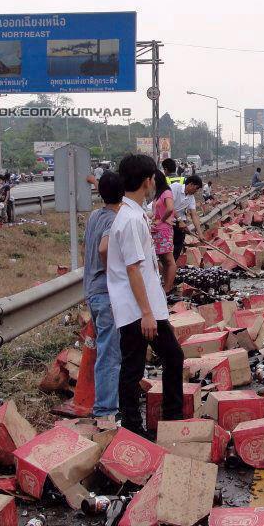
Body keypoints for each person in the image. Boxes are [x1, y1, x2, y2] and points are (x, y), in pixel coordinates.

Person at [107, 155, 184, 434]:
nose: (154, 183)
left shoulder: (134, 215)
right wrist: (148, 314)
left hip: (143, 308)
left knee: (143, 364)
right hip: (139, 311)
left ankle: (144, 423)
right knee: (152, 363)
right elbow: (132, 270)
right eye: (153, 178)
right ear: (147, 181)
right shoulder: (130, 220)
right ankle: (145, 424)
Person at [83, 171, 124, 421]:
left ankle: (106, 402)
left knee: (103, 350)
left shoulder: (94, 216)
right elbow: (104, 248)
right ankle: (106, 411)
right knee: (110, 354)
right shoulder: (113, 220)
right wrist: (116, 276)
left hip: (92, 291)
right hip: (106, 293)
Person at [151, 172, 177, 292]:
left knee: (168, 259)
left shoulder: (166, 192)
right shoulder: (158, 194)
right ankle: (165, 285)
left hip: (164, 230)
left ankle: (168, 287)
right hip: (157, 230)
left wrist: (161, 220)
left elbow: (170, 208)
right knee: (162, 260)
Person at [170, 175, 204, 260]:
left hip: (177, 220)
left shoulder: (191, 198)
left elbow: (194, 215)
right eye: (196, 188)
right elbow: (170, 206)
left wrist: (200, 233)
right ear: (191, 184)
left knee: (179, 243)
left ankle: (173, 264)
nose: (196, 191)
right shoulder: (175, 187)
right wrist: (180, 221)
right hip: (165, 217)